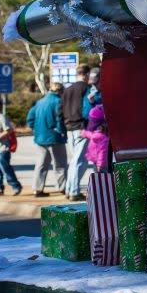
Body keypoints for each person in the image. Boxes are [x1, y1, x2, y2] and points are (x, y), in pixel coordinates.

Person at [27, 82, 68, 197]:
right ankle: (63, 187)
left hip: (40, 138)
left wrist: (35, 129)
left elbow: (30, 118)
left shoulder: (40, 102)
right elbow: (59, 119)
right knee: (60, 164)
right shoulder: (58, 102)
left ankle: (37, 189)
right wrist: (62, 132)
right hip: (55, 137)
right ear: (60, 91)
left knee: (41, 164)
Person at [61, 64, 91, 201]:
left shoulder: (67, 90)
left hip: (69, 128)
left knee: (74, 161)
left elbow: (60, 110)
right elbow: (88, 108)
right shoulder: (86, 89)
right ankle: (73, 191)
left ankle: (69, 189)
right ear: (86, 74)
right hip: (81, 127)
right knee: (79, 161)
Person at [82, 104, 111, 173]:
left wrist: (100, 164)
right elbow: (93, 136)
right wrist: (85, 133)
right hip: (96, 161)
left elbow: (103, 152)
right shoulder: (98, 133)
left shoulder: (102, 135)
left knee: (102, 180)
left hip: (100, 164)